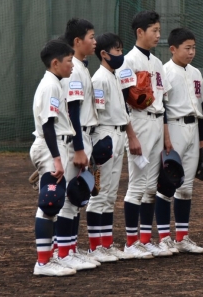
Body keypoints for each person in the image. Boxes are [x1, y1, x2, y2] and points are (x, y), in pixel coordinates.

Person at [87, 33, 148, 260]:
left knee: (110, 194)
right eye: (117, 51)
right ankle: (95, 247)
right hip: (104, 134)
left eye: (122, 50)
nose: (121, 55)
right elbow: (95, 114)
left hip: (118, 133)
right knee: (99, 194)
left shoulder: (114, 76)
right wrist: (95, 145)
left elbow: (122, 111)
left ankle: (106, 243)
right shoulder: (99, 79)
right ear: (104, 54)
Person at [117, 10, 173, 257]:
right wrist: (131, 134)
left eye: (159, 30)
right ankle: (131, 243)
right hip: (138, 122)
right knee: (137, 185)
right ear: (140, 32)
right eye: (154, 30)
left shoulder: (158, 63)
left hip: (157, 122)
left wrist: (166, 136)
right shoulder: (127, 61)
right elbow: (122, 101)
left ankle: (145, 239)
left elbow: (163, 101)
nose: (158, 35)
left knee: (151, 187)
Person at [157, 28, 203, 254]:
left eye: (193, 48)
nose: (191, 52)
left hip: (193, 129)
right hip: (174, 127)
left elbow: (201, 108)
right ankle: (163, 238)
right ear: (173, 48)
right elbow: (161, 107)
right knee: (167, 185)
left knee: (186, 188)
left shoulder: (196, 73)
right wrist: (166, 137)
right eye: (187, 48)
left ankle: (182, 237)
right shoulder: (165, 71)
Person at [30, 40, 78, 276]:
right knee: (49, 203)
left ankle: (50, 258)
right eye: (69, 61)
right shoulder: (50, 85)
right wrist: (57, 159)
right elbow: (48, 125)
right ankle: (43, 263)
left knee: (54, 204)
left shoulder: (55, 83)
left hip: (57, 145)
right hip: (52, 146)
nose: (72, 65)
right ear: (56, 63)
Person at [58, 18, 101, 269]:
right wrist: (79, 148)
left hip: (82, 135)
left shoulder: (81, 66)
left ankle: (70, 249)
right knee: (68, 198)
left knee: (76, 199)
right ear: (77, 41)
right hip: (75, 137)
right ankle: (64, 253)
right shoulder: (73, 68)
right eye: (91, 37)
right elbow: (72, 111)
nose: (95, 41)